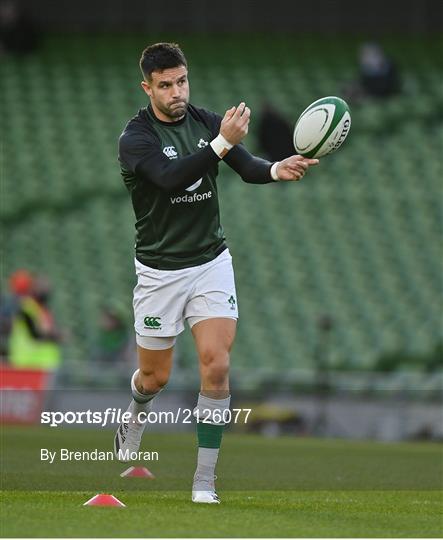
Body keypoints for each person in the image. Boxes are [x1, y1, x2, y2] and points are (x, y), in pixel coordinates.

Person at [116, 42, 319, 504]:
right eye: (165, 85)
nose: (176, 92)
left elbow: (245, 167)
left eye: (181, 81)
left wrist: (275, 168)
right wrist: (223, 142)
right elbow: (170, 177)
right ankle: (136, 412)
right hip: (159, 272)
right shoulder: (136, 138)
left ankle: (204, 480)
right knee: (155, 378)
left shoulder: (206, 121)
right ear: (147, 87)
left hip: (210, 262)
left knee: (217, 364)